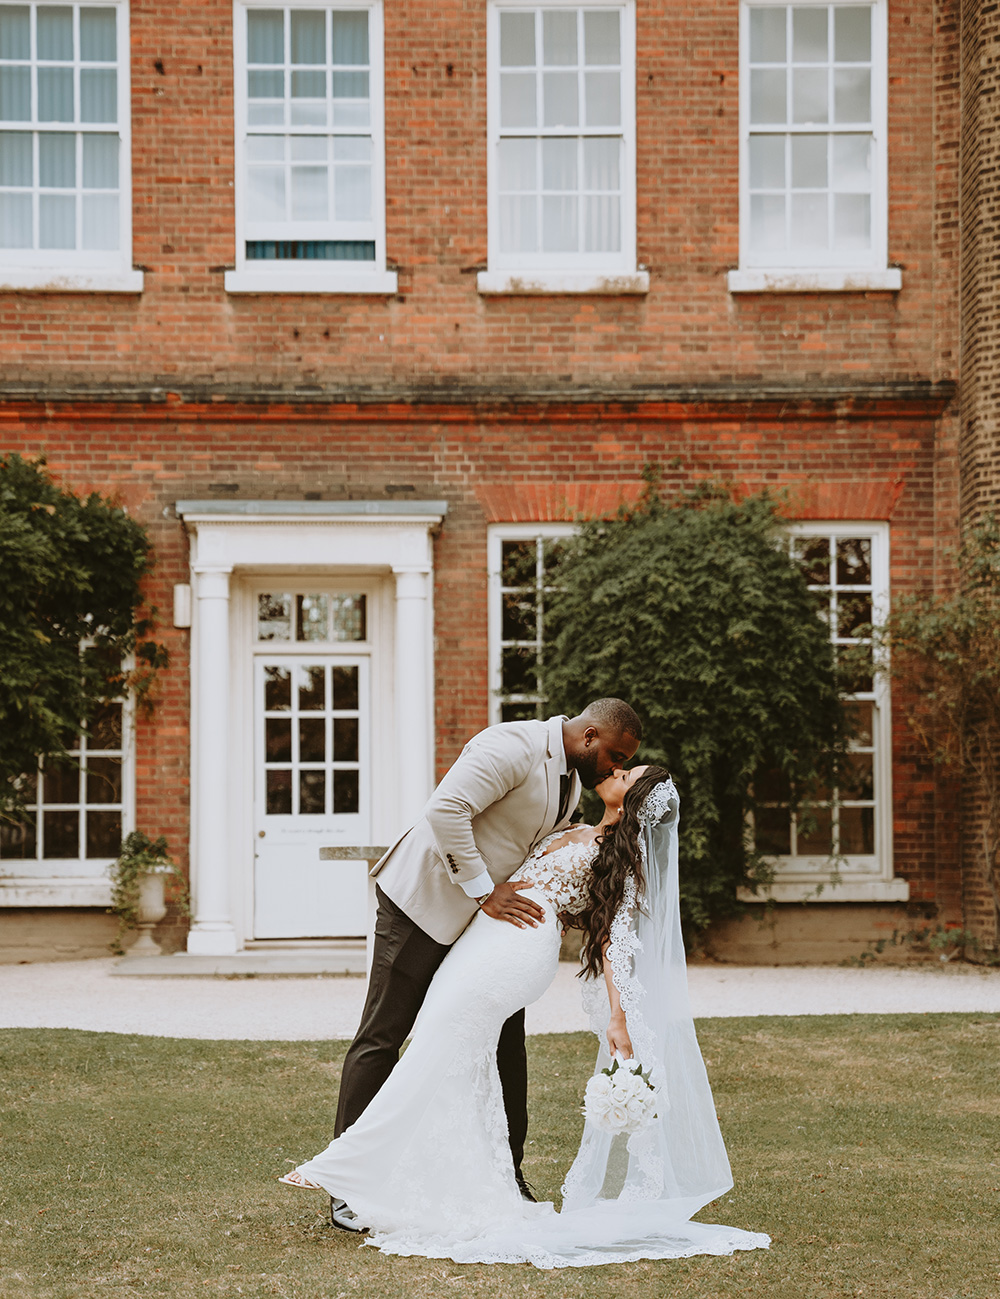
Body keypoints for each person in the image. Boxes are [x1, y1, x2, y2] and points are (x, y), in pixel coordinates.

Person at [280, 766, 770, 1269]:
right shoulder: (575, 826)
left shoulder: (618, 860)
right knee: (444, 1043)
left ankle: (342, 1166)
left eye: (628, 773)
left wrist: (618, 1020)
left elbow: (613, 943)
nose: (617, 770)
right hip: (486, 935)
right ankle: (446, 1181)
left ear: (633, 800)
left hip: (519, 946)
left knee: (439, 1042)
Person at [322, 699, 642, 1229]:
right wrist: (482, 891)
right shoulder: (512, 744)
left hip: (486, 934)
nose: (613, 768)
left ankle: (504, 1173)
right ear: (588, 736)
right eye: (613, 755)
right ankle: (346, 1189)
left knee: (505, 1044)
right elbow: (446, 811)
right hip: (422, 905)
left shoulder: (570, 780)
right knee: (384, 1033)